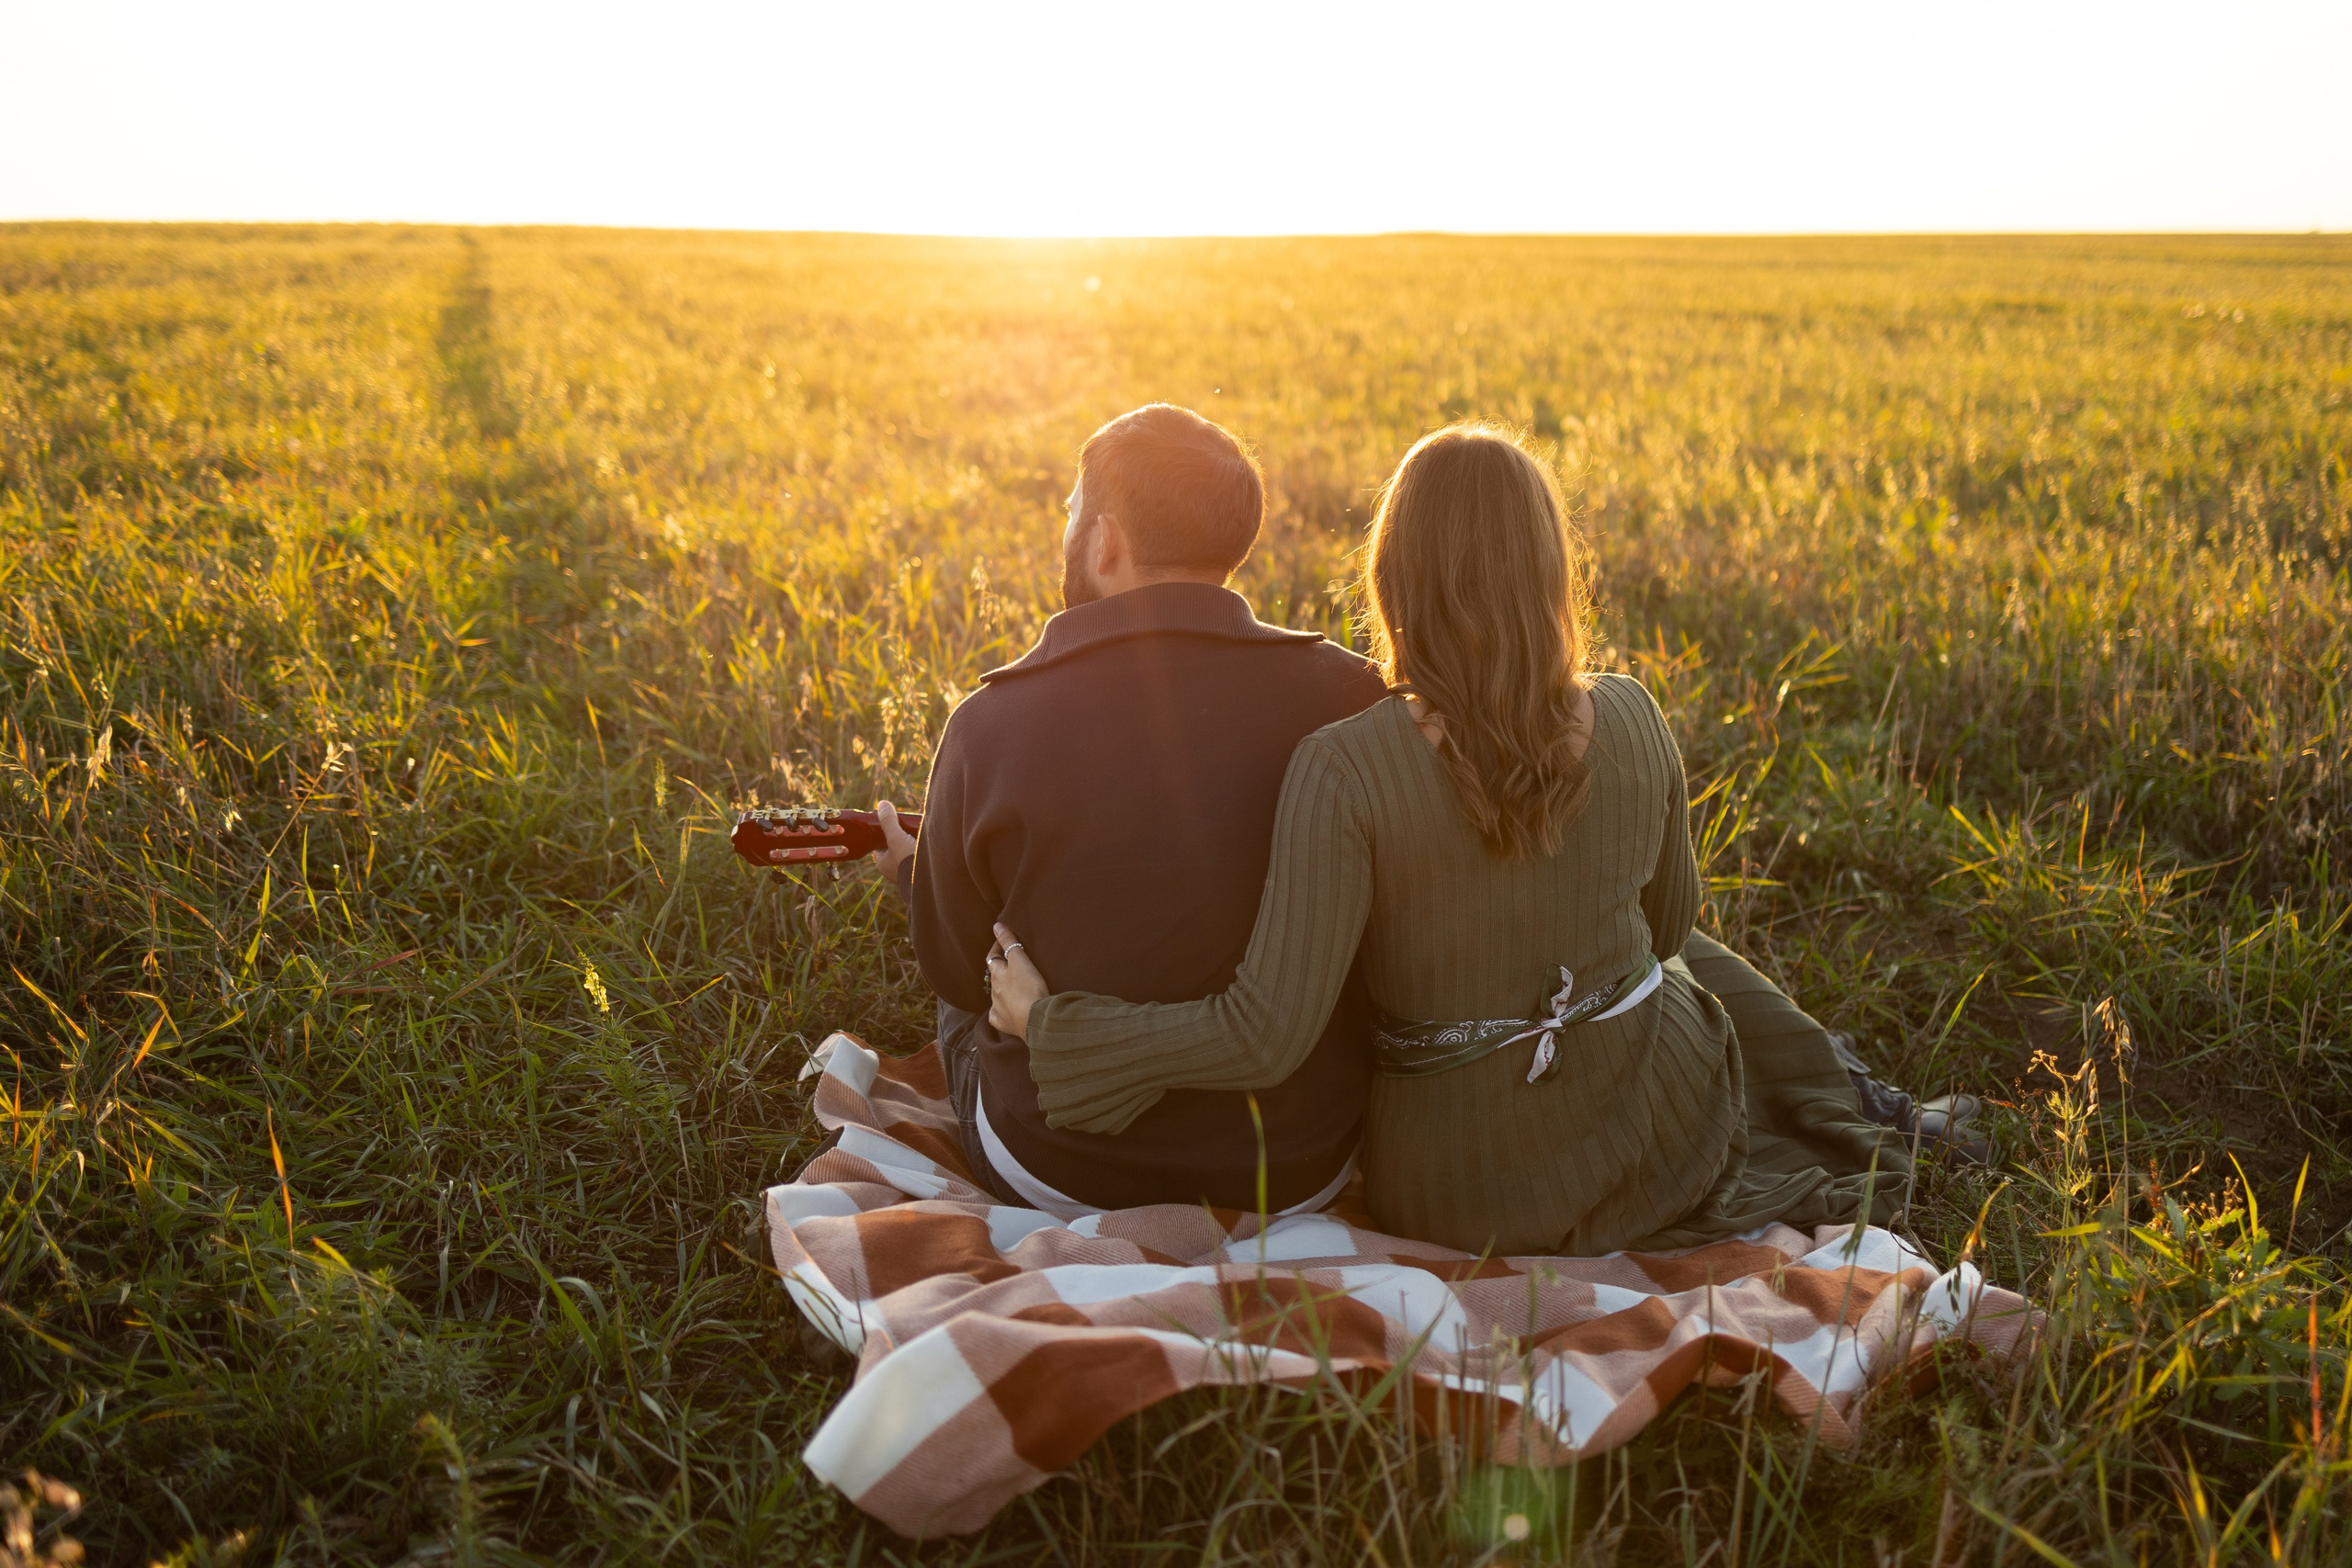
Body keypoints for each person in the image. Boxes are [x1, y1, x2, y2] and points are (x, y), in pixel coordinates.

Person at [983, 424, 1933, 1255]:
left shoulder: (1344, 767)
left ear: (1390, 570)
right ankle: (1846, 1090)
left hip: (1448, 1191)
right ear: (1552, 566)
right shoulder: (1634, 715)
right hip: (1649, 1137)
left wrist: (1048, 1024)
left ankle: (1837, 1081)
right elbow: (1672, 925)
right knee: (1688, 969)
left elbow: (1262, 1036)